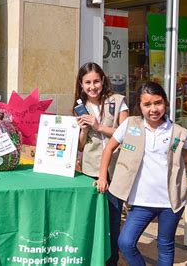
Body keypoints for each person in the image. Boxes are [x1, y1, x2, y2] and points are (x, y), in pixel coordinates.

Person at [96, 82, 187, 265]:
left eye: (158, 103)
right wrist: (103, 176)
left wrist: (177, 164)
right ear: (140, 106)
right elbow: (109, 148)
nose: (154, 109)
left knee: (165, 245)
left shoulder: (177, 131)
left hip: (170, 202)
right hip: (141, 201)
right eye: (147, 104)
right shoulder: (130, 124)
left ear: (166, 103)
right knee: (126, 242)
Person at [73, 62, 129, 266]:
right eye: (87, 82)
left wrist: (98, 126)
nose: (92, 86)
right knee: (94, 219)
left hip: (116, 168)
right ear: (81, 83)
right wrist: (85, 130)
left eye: (96, 81)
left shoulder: (118, 101)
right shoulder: (79, 107)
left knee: (114, 219)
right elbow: (80, 147)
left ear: (103, 80)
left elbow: (127, 134)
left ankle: (111, 260)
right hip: (91, 170)